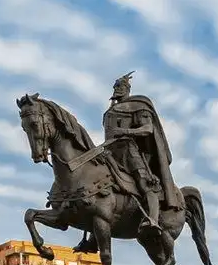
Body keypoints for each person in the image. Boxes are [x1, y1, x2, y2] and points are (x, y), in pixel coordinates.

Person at [73, 71, 180, 253]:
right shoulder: (110, 111)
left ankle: (152, 219)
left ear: (127, 89)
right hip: (109, 152)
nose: (117, 90)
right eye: (115, 87)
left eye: (120, 87)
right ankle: (92, 239)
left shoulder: (138, 106)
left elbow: (147, 129)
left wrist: (127, 133)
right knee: (96, 188)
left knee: (145, 184)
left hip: (129, 152)